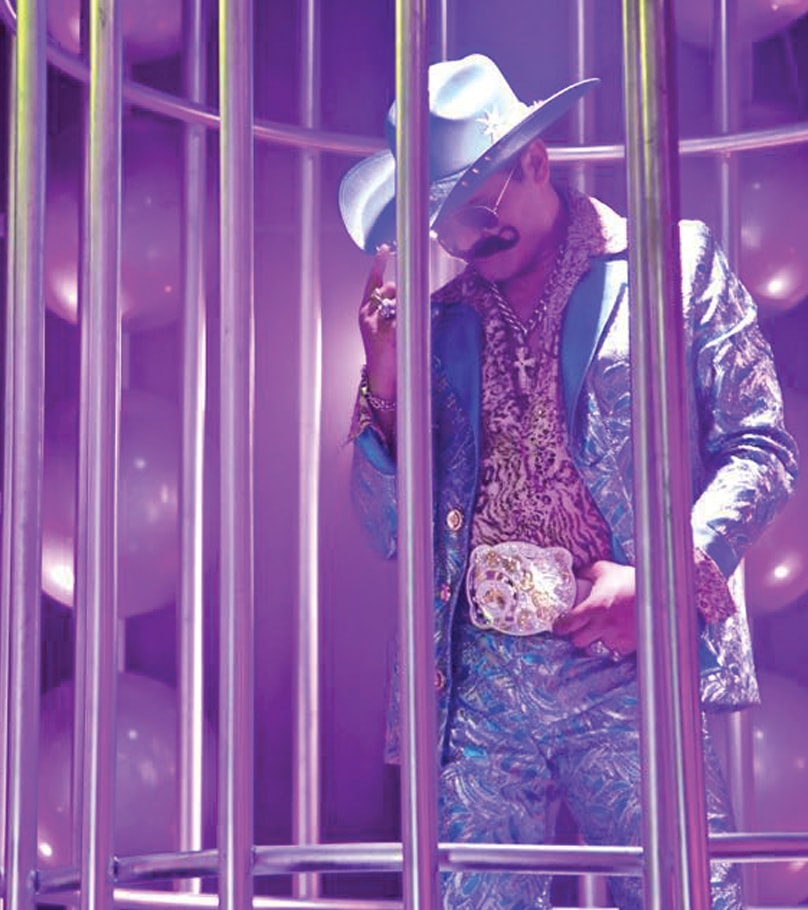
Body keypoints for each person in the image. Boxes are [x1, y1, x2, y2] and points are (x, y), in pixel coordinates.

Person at [339, 53, 798, 909]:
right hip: (478, 682)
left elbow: (763, 448)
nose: (467, 243)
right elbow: (386, 530)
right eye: (445, 228)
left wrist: (663, 581)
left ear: (537, 162)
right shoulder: (435, 325)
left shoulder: (674, 266)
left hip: (625, 663)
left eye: (479, 213)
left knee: (689, 896)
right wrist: (385, 383)